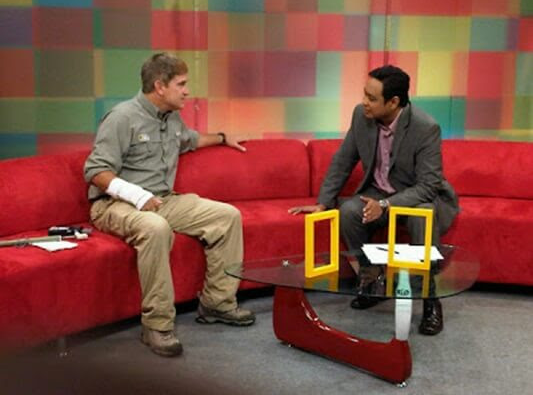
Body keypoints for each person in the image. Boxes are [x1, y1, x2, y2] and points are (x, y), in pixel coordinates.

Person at [84, 53, 255, 357]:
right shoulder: (121, 118)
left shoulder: (171, 117)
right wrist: (137, 196)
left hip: (163, 200)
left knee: (227, 216)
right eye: (182, 84)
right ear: (160, 86)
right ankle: (157, 325)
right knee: (156, 228)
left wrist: (222, 137)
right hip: (115, 205)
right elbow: (96, 172)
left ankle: (217, 303)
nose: (187, 91)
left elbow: (189, 140)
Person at [289, 65, 459, 335]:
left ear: (393, 102)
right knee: (348, 212)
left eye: (371, 98)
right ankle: (371, 279)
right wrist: (324, 202)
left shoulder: (425, 127)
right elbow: (344, 160)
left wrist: (385, 206)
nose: (364, 102)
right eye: (364, 95)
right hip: (377, 191)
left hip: (414, 196)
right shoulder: (361, 115)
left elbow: (428, 186)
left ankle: (430, 300)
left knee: (422, 218)